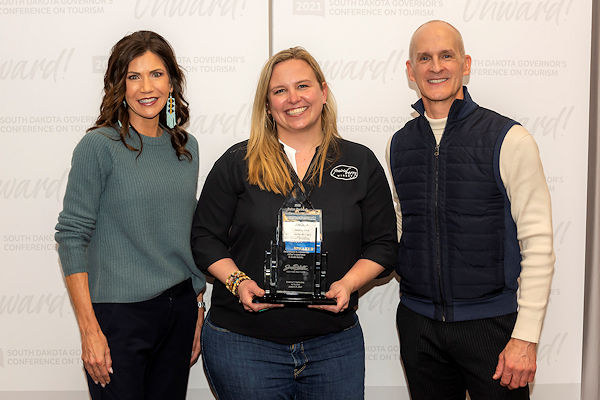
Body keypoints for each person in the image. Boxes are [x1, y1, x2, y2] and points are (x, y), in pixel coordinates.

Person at [191, 46, 397, 400]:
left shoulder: (360, 161)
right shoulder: (237, 161)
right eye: (280, 91)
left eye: (303, 86)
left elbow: (383, 245)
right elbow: (204, 238)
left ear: (323, 91)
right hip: (244, 344)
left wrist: (348, 284)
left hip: (334, 345)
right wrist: (238, 281)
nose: (293, 99)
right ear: (267, 104)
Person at [388, 20, 555, 399]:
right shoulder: (398, 144)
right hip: (419, 326)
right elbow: (404, 223)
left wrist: (526, 337)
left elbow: (539, 243)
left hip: (491, 327)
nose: (436, 67)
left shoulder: (509, 138)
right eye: (424, 58)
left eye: (446, 55)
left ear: (465, 64)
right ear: (410, 71)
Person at [55, 31, 206, 399]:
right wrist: (89, 329)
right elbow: (71, 236)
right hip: (119, 319)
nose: (145, 87)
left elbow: (185, 231)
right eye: (133, 76)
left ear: (172, 81)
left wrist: (198, 305)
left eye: (156, 74)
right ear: (119, 85)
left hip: (179, 310)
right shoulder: (100, 146)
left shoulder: (186, 149)